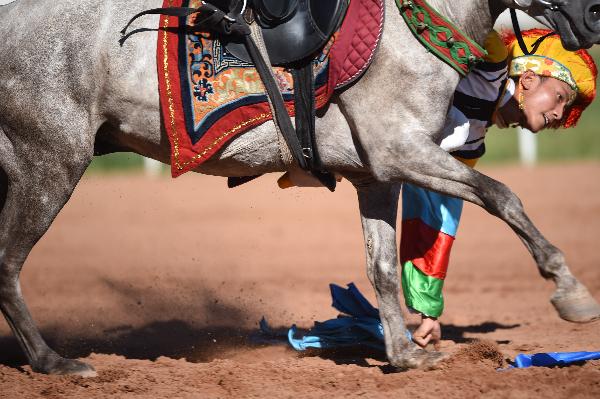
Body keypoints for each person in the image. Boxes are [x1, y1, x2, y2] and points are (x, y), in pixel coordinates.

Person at [405, 29, 597, 349]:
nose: (559, 114)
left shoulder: (470, 147)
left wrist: (428, 312)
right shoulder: (491, 61)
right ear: (529, 80)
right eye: (561, 97)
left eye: (566, 108)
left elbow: (433, 221)